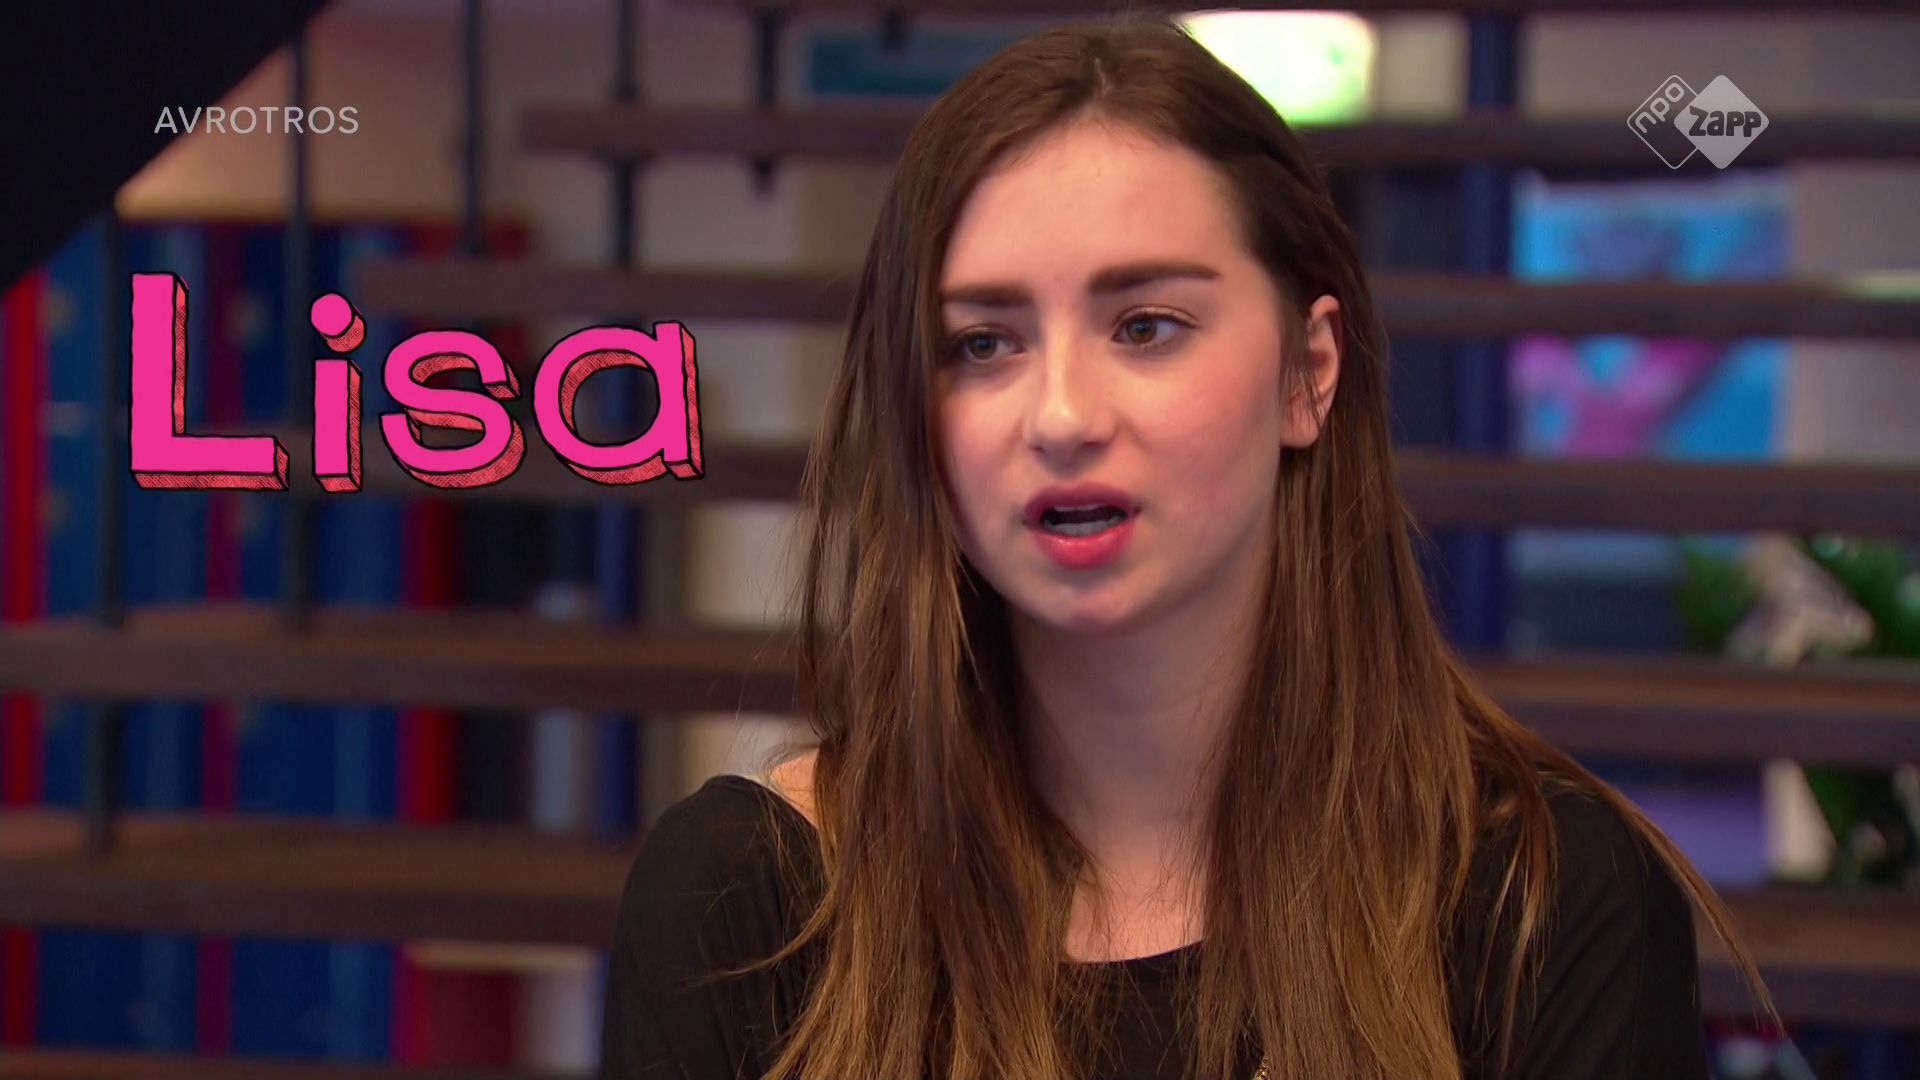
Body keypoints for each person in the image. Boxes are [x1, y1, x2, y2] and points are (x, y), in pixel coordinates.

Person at [599, 15, 1778, 1080]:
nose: (1063, 415)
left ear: (1307, 373)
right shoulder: (736, 901)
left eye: (1147, 326)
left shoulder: (1550, 905)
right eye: (983, 343)